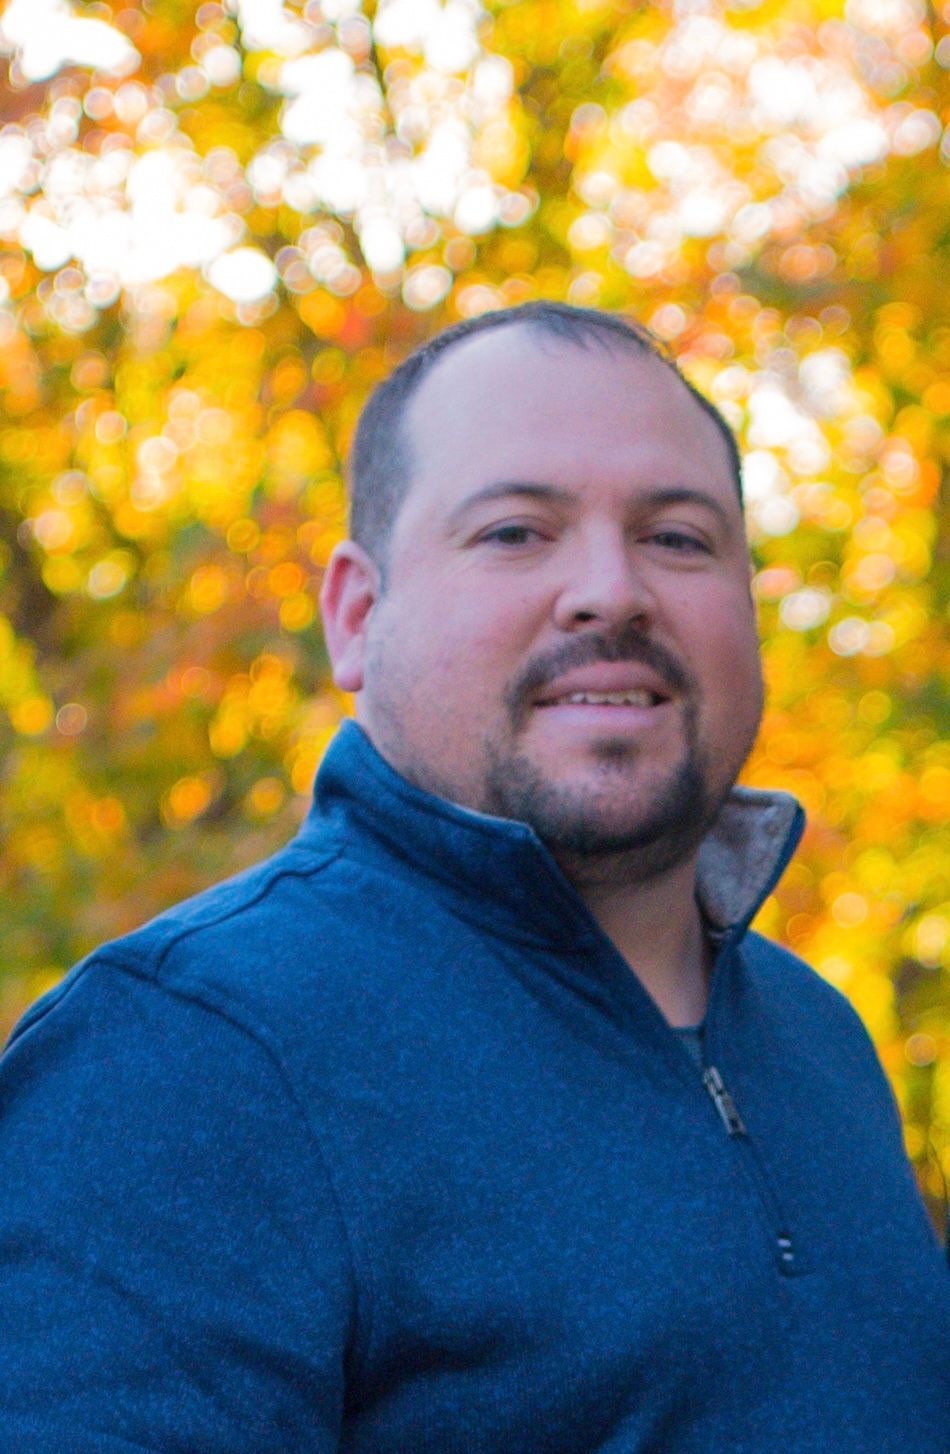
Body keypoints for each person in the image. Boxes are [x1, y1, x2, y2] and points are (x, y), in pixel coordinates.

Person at [1, 302, 946, 1453]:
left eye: (679, 538)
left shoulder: (818, 1038)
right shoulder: (185, 1057)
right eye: (514, 531)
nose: (611, 590)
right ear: (356, 616)